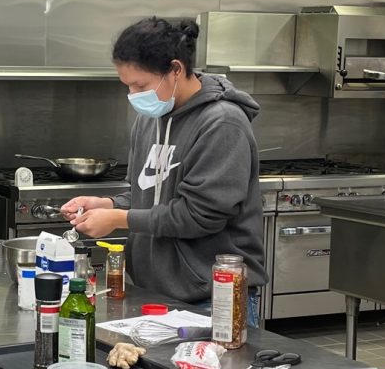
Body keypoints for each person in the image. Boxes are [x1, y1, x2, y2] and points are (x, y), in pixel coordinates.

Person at [60, 18, 267, 321]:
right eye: (127, 85)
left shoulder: (222, 123)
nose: (133, 95)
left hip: (212, 299)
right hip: (155, 294)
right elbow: (143, 194)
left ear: (175, 69)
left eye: (140, 85)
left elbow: (199, 215)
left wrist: (118, 219)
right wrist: (105, 204)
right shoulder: (151, 118)